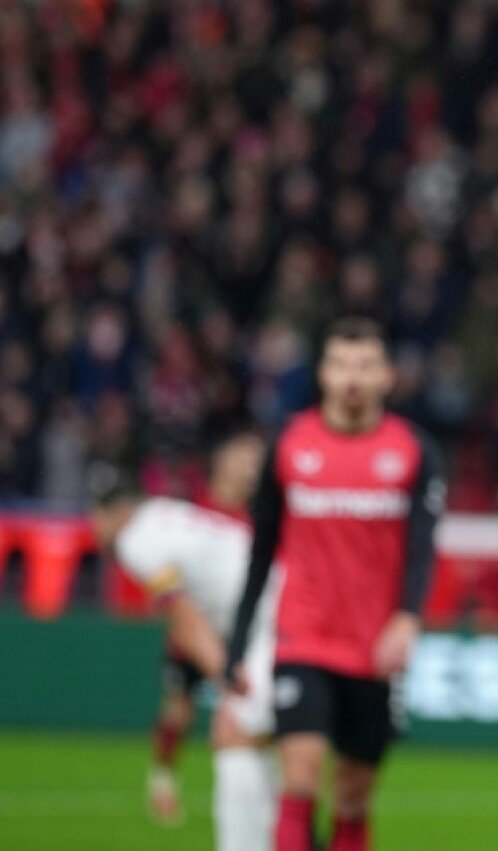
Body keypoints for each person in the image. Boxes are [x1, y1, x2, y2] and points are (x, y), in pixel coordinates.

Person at [225, 316, 446, 851]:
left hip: (374, 648)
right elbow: (261, 551)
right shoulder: (290, 445)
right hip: (303, 638)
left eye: (366, 365)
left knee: (352, 798)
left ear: (386, 377)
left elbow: (422, 549)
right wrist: (237, 639)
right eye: (342, 364)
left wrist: (408, 617)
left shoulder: (413, 451)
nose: (353, 376)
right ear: (323, 373)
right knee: (299, 781)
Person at [90, 438, 281, 851]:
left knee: (236, 732)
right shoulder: (170, 512)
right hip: (275, 611)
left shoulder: (135, 541)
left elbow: (183, 615)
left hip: (271, 622)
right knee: (262, 737)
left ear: (116, 513)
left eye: (97, 519)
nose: (96, 531)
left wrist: (224, 675)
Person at [144, 430, 266, 826]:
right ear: (221, 461)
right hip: (193, 629)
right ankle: (162, 776)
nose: (251, 467)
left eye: (257, 461)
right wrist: (178, 614)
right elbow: (161, 571)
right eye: (243, 457)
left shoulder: (259, 521)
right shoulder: (190, 513)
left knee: (244, 718)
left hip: (240, 637)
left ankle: (246, 799)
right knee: (179, 710)